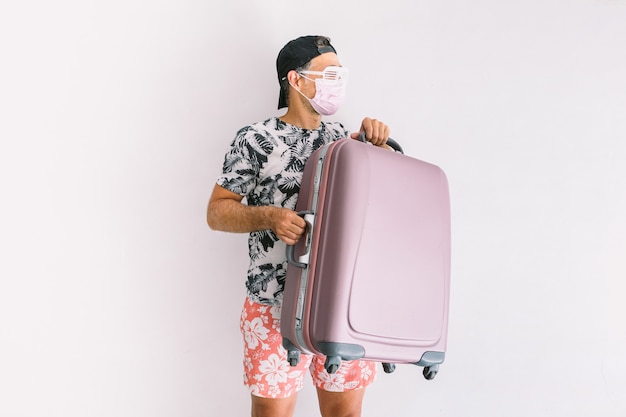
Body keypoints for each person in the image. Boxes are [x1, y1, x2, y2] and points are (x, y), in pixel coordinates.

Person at [206, 35, 390, 417]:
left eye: (341, 74)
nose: (338, 82)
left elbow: (381, 207)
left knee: (345, 413)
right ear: (295, 79)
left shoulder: (345, 140)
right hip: (274, 305)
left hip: (342, 305)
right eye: (329, 74)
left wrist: (379, 148)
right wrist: (269, 217)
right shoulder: (255, 139)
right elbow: (217, 211)